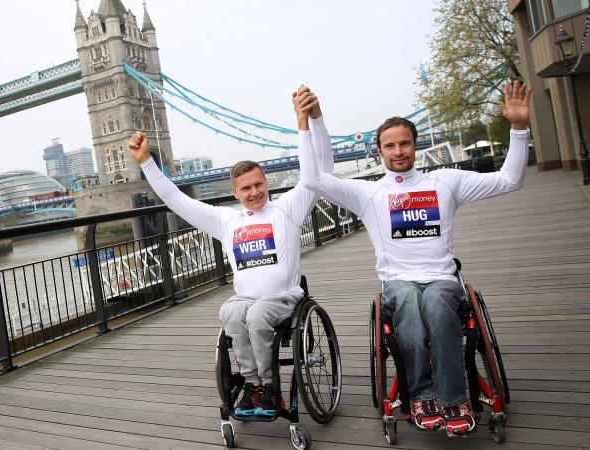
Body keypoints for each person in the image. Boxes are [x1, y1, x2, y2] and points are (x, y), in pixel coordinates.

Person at [296, 81, 531, 435]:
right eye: (390, 145)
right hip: (398, 283)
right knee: (406, 298)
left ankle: (454, 399)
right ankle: (421, 396)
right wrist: (311, 120)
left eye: (404, 143)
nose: (398, 150)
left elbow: (510, 179)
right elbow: (313, 179)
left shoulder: (444, 182)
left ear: (415, 145)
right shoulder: (369, 193)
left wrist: (518, 127)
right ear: (379, 151)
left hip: (442, 280)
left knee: (436, 301)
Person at [127, 86, 330, 417]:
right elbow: (176, 200)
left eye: (259, 185)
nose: (254, 192)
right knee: (232, 312)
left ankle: (269, 387)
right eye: (246, 188)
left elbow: (313, 176)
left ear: (267, 184)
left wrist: (304, 122)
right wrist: (147, 162)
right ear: (235, 192)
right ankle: (251, 384)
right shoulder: (226, 221)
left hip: (284, 299)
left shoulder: (288, 209)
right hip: (247, 301)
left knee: (259, 314)